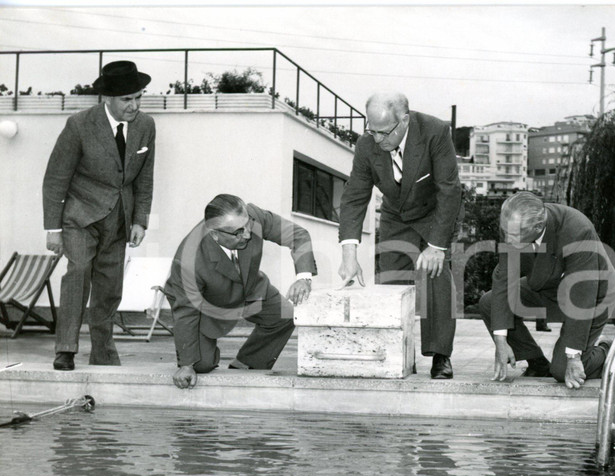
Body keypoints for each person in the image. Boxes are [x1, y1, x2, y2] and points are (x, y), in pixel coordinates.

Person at [338, 92, 462, 380]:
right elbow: (354, 197)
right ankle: (400, 352)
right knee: (391, 280)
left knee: (435, 275)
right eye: (372, 130)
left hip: (435, 212)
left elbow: (449, 189)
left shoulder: (435, 131)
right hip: (396, 214)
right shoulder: (367, 144)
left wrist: (436, 246)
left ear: (404, 120)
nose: (378, 140)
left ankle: (440, 355)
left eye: (384, 133)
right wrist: (349, 255)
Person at [43, 60, 155, 371]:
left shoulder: (146, 126)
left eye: (138, 97)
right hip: (80, 217)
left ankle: (103, 353)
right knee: (77, 275)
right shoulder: (79, 125)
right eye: (126, 100)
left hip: (118, 219)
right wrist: (52, 229)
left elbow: (145, 179)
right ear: (107, 98)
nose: (134, 106)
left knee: (110, 287)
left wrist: (139, 220)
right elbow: (55, 178)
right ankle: (65, 349)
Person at [166, 194, 317, 390]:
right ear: (214, 234)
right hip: (206, 303)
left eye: (248, 226)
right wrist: (186, 365)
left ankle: (245, 365)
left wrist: (303, 277)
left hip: (250, 285)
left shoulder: (253, 217)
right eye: (238, 232)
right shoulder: (188, 261)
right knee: (200, 365)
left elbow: (298, 235)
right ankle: (200, 359)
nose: (247, 235)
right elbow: (186, 312)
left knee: (285, 316)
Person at [478, 192, 615, 389]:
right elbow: (504, 279)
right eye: (505, 232)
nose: (507, 240)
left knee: (562, 371)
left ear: (537, 227)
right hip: (546, 286)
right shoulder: (512, 224)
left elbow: (582, 295)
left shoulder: (577, 229)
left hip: (592, 296)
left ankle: (606, 350)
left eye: (514, 236)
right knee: (490, 302)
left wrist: (573, 356)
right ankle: (536, 362)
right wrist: (500, 340)